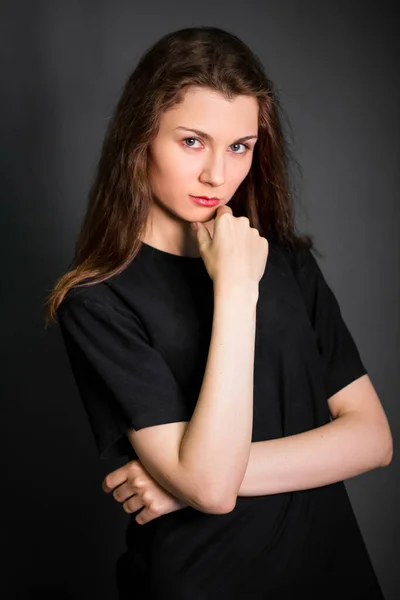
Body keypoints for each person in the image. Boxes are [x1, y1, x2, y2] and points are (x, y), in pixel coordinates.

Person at [44, 26, 393, 600]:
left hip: (332, 574)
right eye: (191, 141)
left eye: (240, 146)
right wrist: (233, 288)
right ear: (142, 136)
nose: (217, 174)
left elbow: (373, 439)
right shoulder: (99, 299)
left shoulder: (286, 263)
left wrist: (178, 483)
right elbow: (212, 488)